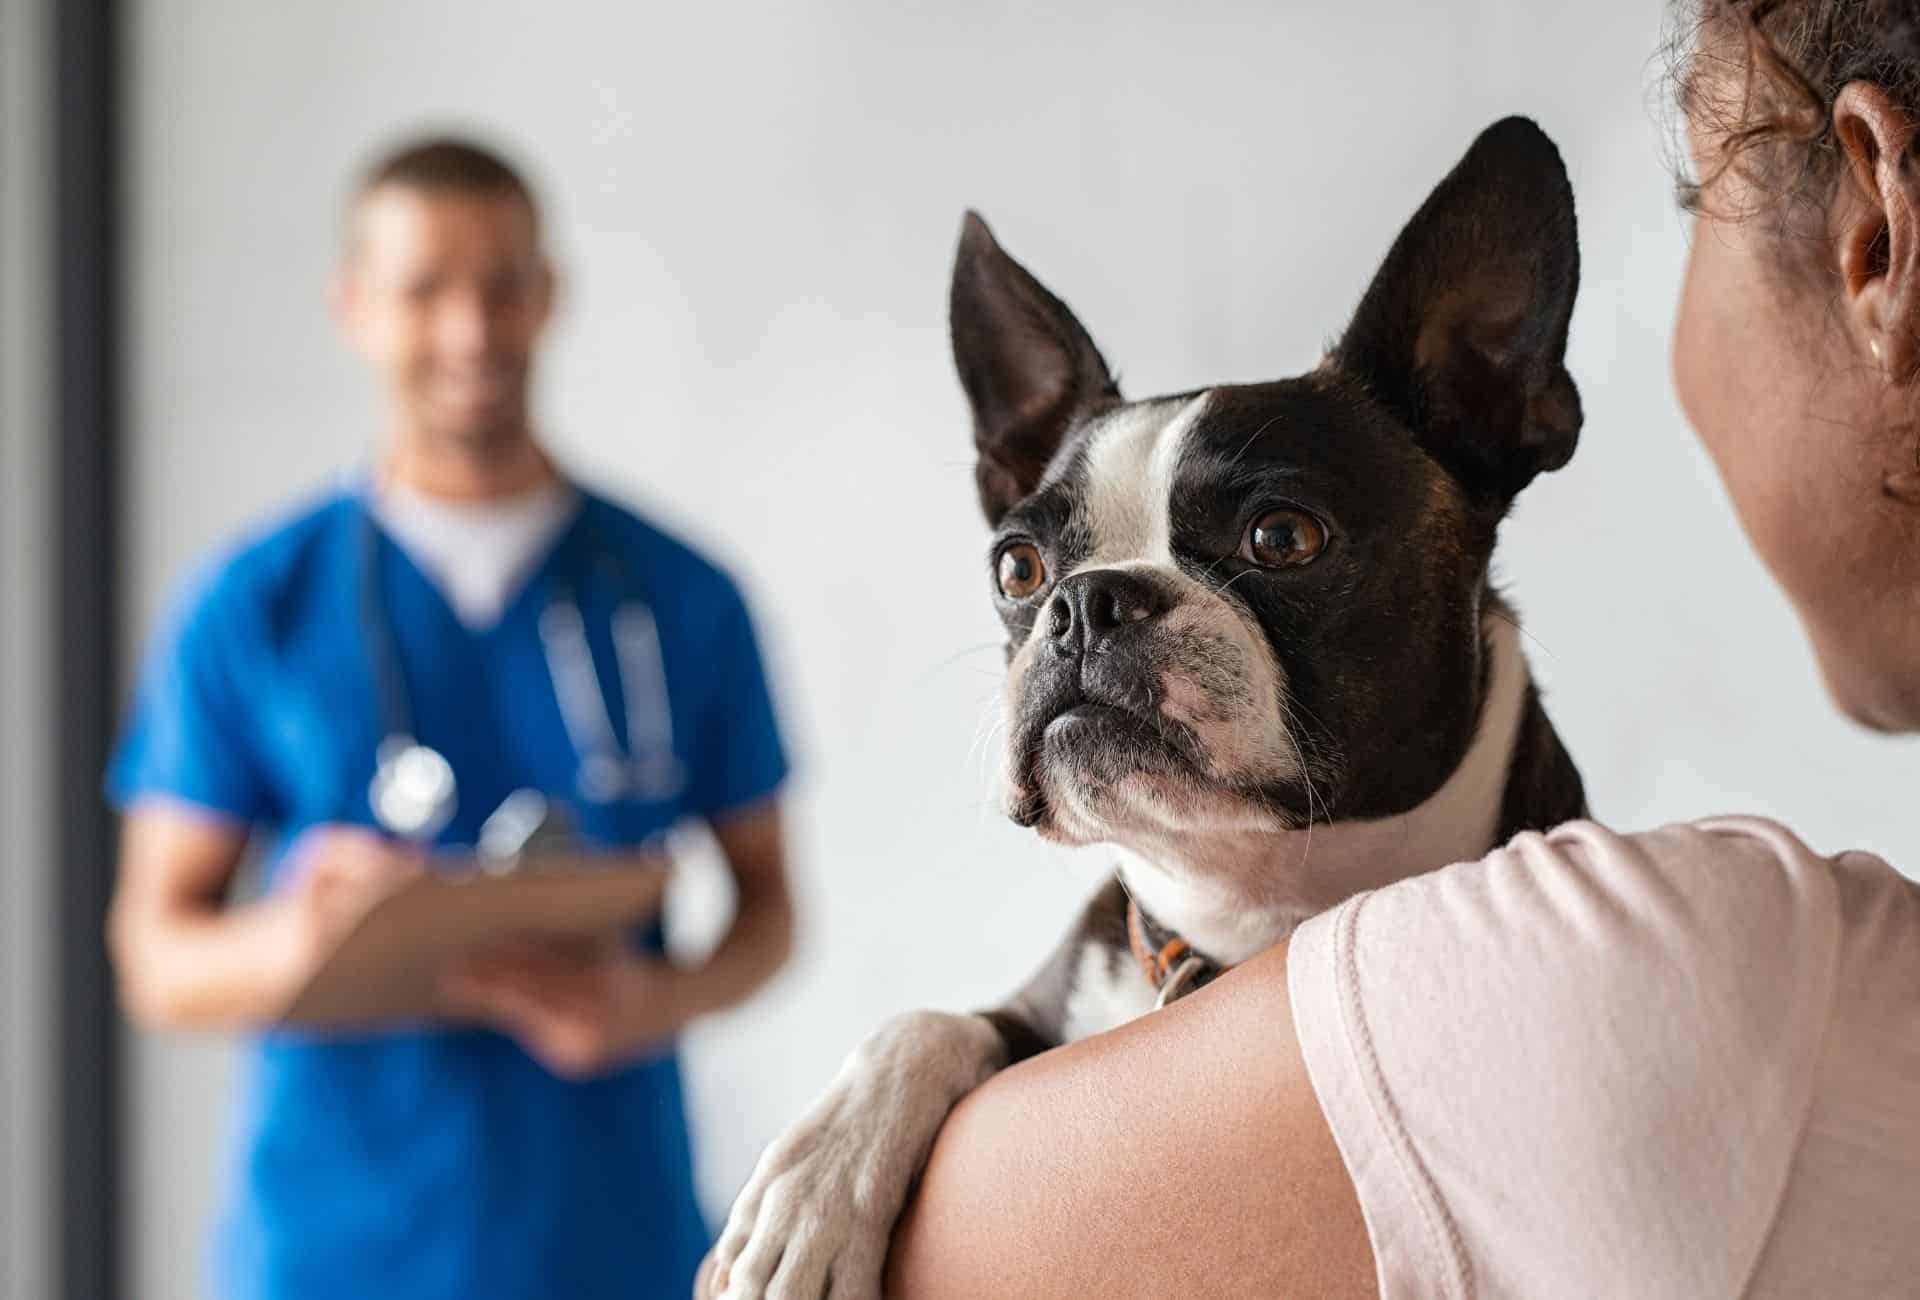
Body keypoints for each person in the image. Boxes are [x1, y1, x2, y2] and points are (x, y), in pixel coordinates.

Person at [878, 4, 1920, 1296]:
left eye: (1278, 536)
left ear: (1876, 237)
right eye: (1034, 571)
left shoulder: (1630, 965)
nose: (1079, 617)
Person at [107, 137, 795, 1300]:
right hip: (334, 1253)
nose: (472, 331)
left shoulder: (679, 597)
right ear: (355, 306)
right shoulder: (255, 605)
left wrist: (653, 1000)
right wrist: (297, 939)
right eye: (426, 290)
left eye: (504, 284)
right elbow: (153, 956)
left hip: (612, 1243)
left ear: (550, 295)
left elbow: (769, 909)